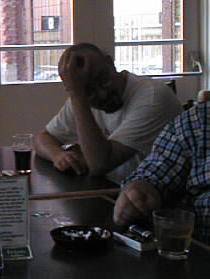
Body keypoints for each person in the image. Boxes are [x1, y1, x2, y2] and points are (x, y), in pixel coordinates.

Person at [33, 43, 182, 184]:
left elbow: (100, 164)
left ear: (110, 63)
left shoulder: (152, 97)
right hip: (118, 190)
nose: (102, 93)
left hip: (155, 197)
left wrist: (78, 95)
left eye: (103, 79)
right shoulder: (80, 98)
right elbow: (43, 138)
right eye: (88, 91)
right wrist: (57, 155)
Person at [113, 101, 210, 243]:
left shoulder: (153, 98)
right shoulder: (198, 120)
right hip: (195, 250)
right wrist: (139, 190)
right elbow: (154, 175)